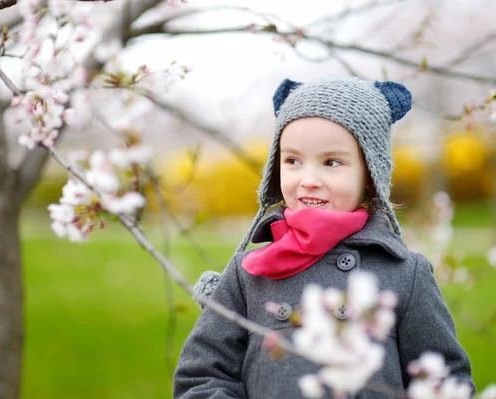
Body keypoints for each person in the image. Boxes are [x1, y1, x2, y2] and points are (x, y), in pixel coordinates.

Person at [173, 76, 474, 398]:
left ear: (370, 175)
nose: (309, 180)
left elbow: (444, 381)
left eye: (331, 162)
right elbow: (201, 376)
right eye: (292, 161)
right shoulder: (249, 272)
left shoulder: (404, 274)